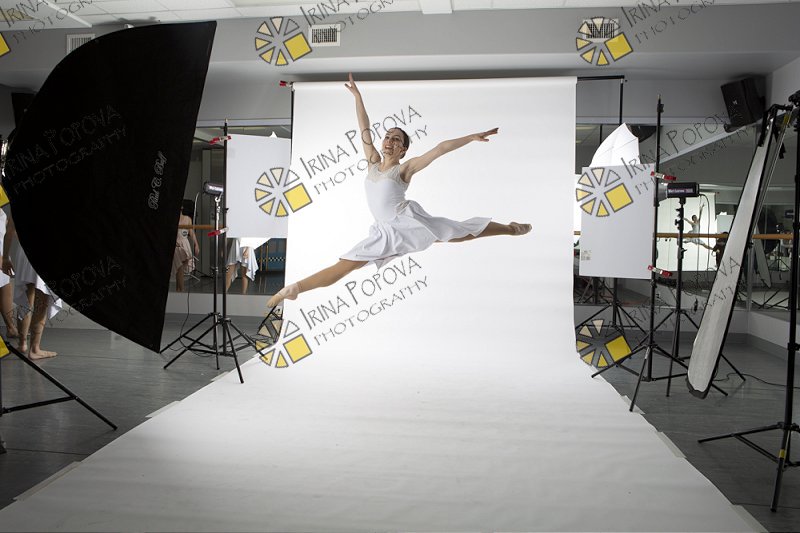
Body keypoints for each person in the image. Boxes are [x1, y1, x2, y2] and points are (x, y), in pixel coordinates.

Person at [267, 73, 531, 308]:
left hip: (407, 222)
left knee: (459, 233)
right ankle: (295, 289)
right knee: (346, 265)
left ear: (403, 149)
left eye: (396, 139)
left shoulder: (404, 169)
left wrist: (470, 138)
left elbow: (440, 149)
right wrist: (358, 97)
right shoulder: (372, 162)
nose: (389, 141)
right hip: (384, 231)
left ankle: (510, 229)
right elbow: (364, 127)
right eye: (387, 136)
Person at [2, 213, 61, 359]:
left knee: (26, 299)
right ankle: (35, 349)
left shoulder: (19, 204)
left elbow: (10, 231)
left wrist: (5, 257)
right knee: (42, 302)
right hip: (45, 252)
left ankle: (22, 344)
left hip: (24, 253)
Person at [0, 206, 18, 339]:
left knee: (5, 287)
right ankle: (11, 327)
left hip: (2, 254)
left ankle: (11, 327)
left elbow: (6, 226)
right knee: (4, 286)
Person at [173, 206, 199, 292]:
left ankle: (179, 289)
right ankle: (181, 289)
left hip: (185, 243)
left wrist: (196, 244)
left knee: (182, 266)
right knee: (179, 266)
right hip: (177, 244)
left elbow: (191, 232)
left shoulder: (187, 219)